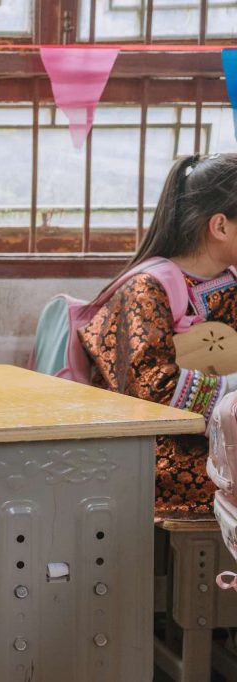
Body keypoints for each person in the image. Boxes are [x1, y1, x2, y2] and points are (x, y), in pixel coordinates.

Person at [80, 153, 237, 519]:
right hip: (158, 457)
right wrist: (231, 393)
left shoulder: (230, 284)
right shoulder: (145, 289)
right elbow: (155, 389)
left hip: (220, 445)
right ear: (220, 226)